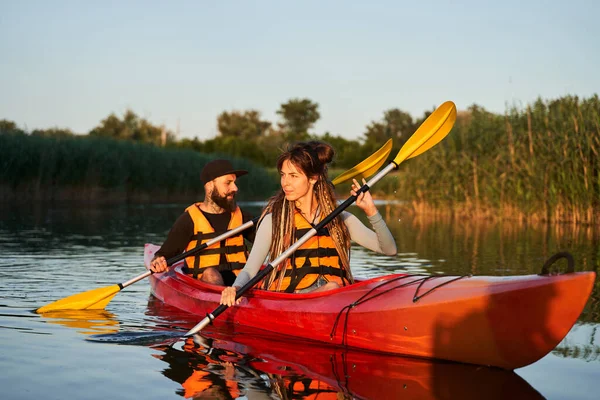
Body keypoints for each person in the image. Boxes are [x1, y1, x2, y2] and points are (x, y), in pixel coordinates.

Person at [220, 141, 396, 305]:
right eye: (283, 175)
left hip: (335, 299)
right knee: (333, 287)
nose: (285, 183)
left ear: (313, 178)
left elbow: (389, 249)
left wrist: (371, 211)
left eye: (294, 176)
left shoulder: (339, 219)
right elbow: (250, 270)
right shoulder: (274, 221)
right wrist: (235, 288)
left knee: (335, 288)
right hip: (291, 301)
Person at [149, 159, 255, 286]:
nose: (235, 188)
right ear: (210, 186)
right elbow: (164, 255)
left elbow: (269, 242)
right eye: (228, 183)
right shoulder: (189, 220)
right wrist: (158, 262)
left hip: (239, 282)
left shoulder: (243, 217)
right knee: (211, 274)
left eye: (235, 183)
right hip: (205, 284)